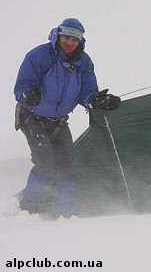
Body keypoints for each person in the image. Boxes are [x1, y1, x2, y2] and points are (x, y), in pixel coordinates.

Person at [14, 18, 120, 219]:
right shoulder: (39, 55)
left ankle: (63, 212)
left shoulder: (84, 62)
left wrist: (96, 100)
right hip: (32, 116)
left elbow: (86, 92)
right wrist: (28, 94)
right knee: (44, 161)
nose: (70, 42)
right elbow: (22, 86)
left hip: (59, 121)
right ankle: (29, 211)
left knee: (67, 164)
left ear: (81, 41)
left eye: (75, 39)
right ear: (58, 35)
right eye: (67, 37)